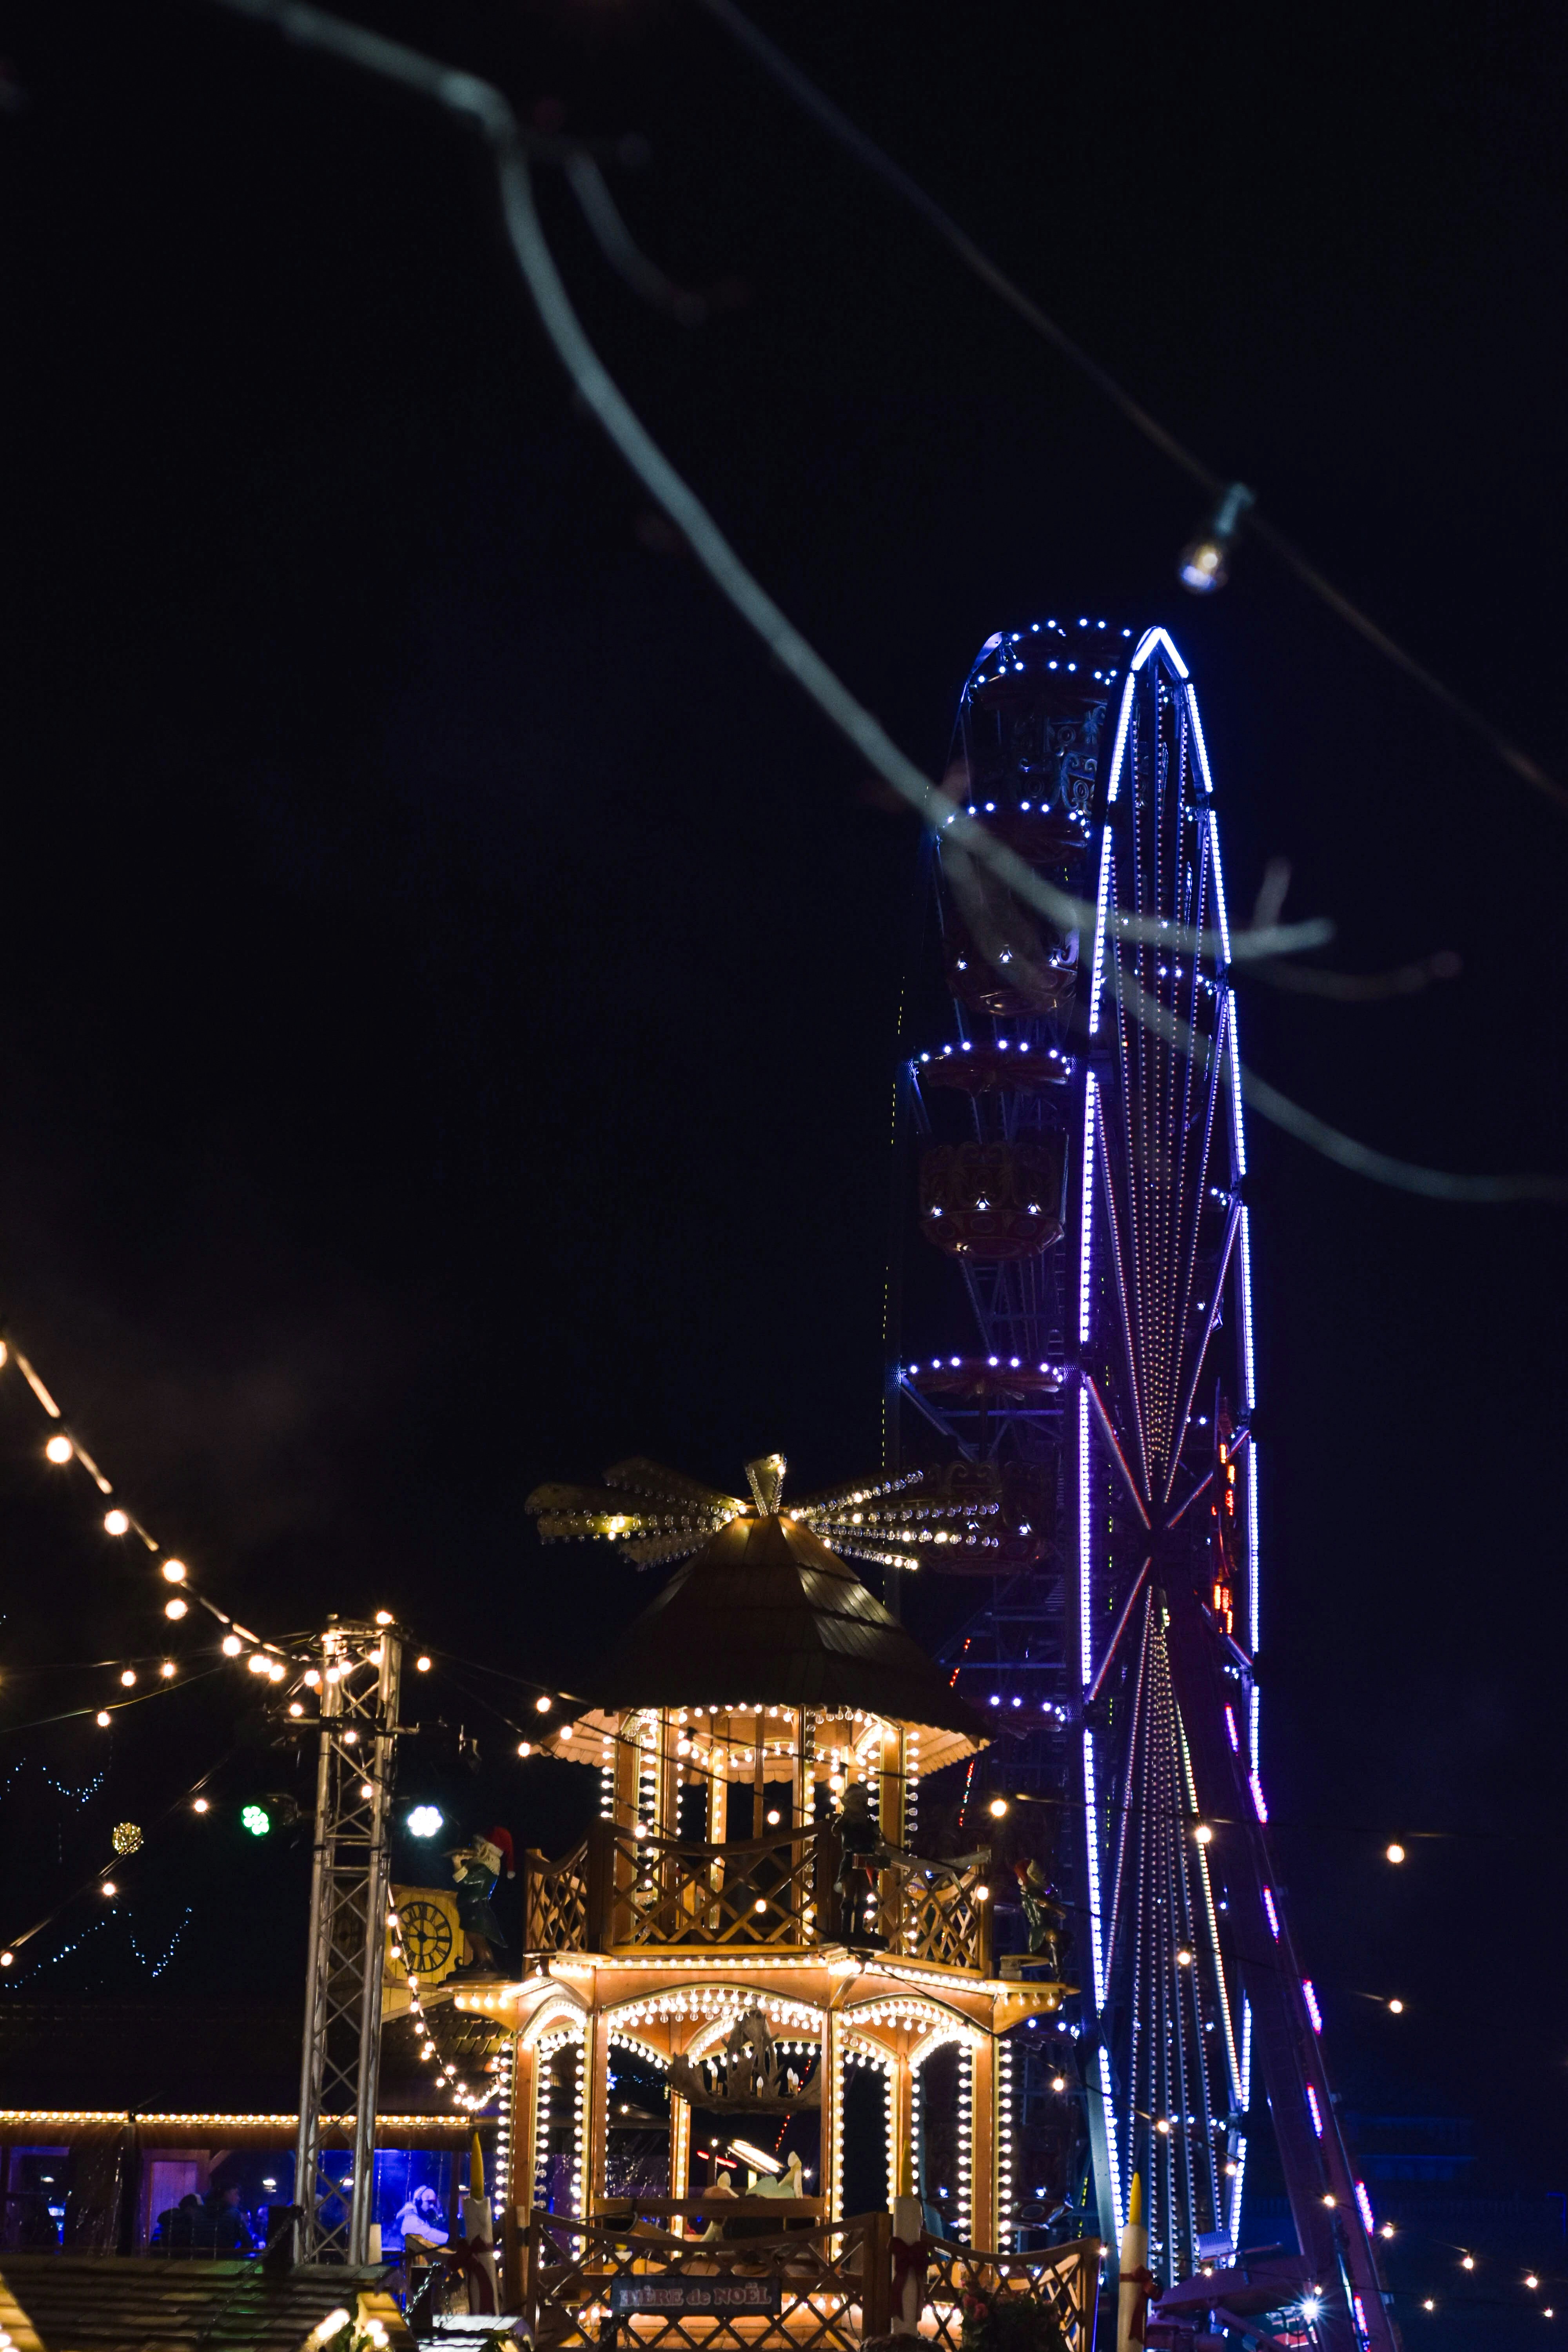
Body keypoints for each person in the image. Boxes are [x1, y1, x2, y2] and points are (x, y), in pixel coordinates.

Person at [393, 2185, 449, 2252]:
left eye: (434, 2203)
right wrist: (450, 2239)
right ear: (419, 2201)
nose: (432, 2207)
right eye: (429, 2202)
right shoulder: (409, 2217)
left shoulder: (420, 2216)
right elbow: (427, 2234)